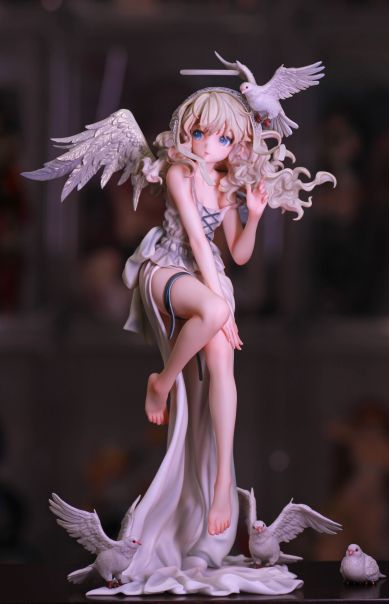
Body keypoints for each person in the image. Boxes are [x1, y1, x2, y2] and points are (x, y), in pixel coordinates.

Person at [23, 85, 334, 596]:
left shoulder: (229, 184)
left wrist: (254, 214)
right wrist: (222, 306)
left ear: (237, 142)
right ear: (185, 129)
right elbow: (193, 239)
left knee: (223, 363)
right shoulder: (178, 172)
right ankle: (162, 382)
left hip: (207, 278)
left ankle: (220, 487)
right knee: (215, 313)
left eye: (222, 138)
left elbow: (237, 254)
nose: (209, 145)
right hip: (165, 271)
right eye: (200, 133)